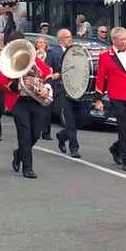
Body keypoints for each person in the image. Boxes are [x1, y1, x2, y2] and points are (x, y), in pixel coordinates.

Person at [0, 32, 53, 179]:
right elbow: (3, 83)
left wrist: (46, 87)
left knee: (35, 134)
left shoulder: (32, 57)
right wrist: (21, 86)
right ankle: (27, 168)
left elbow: (47, 72)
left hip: (35, 101)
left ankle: (19, 153)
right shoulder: (6, 61)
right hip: (19, 102)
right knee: (24, 134)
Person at [93, 27, 126, 172]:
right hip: (117, 96)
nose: (124, 42)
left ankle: (116, 147)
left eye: (125, 39)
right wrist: (98, 99)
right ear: (113, 40)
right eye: (121, 39)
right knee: (123, 127)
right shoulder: (106, 56)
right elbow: (100, 78)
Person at [45, 29, 81, 158]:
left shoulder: (75, 51)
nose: (69, 39)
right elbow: (46, 69)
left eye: (70, 37)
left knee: (78, 118)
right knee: (69, 118)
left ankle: (63, 135)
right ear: (60, 39)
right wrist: (51, 77)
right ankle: (74, 147)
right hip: (61, 88)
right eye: (66, 37)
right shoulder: (53, 52)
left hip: (75, 88)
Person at [34, 36, 52, 140]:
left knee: (46, 108)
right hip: (35, 82)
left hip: (46, 82)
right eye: (39, 43)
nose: (41, 45)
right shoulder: (32, 56)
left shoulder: (49, 55)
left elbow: (51, 67)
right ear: (36, 45)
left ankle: (46, 132)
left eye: (43, 43)